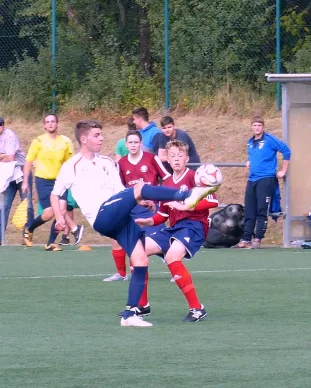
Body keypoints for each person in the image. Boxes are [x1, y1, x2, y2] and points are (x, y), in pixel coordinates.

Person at [50, 120, 216, 327]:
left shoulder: (108, 162)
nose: (101, 138)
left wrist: (140, 200)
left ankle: (131, 314)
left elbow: (121, 191)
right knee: (140, 186)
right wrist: (59, 217)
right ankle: (188, 194)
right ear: (83, 139)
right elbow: (56, 195)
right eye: (96, 135)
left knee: (140, 259)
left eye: (101, 134)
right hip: (102, 216)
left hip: (121, 216)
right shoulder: (71, 166)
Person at [124, 140, 219, 322]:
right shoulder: (166, 183)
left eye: (180, 156)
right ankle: (142, 306)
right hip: (174, 228)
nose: (176, 159)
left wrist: (186, 206)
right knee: (137, 252)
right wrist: (149, 221)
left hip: (194, 226)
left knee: (172, 257)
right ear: (167, 158)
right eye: (173, 156)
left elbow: (213, 201)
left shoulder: (194, 177)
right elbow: (162, 214)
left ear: (187, 158)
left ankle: (197, 308)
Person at [104, 129, 170, 285]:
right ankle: (121, 273)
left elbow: (167, 178)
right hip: (132, 207)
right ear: (126, 145)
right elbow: (119, 187)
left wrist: (166, 198)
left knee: (160, 241)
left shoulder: (152, 158)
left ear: (141, 143)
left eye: (136, 142)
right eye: (130, 142)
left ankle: (174, 267)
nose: (133, 145)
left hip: (151, 208)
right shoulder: (121, 164)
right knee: (117, 237)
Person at [22, 114, 84, 251]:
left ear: (57, 124)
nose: (50, 124)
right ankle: (29, 229)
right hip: (43, 180)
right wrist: (25, 181)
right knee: (49, 213)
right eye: (48, 122)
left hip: (60, 181)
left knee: (61, 210)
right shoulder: (38, 141)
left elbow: (70, 163)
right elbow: (28, 161)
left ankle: (50, 243)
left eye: (53, 121)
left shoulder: (65, 142)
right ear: (44, 125)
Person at [234, 115, 291, 249]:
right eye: (254, 125)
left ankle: (258, 238)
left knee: (261, 210)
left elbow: (286, 151)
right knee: (249, 210)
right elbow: (255, 155)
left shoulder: (270, 140)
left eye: (259, 125)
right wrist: (249, 161)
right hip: (252, 179)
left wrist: (283, 171)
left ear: (263, 127)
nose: (257, 128)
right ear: (251, 127)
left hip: (266, 179)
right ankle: (246, 239)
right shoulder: (250, 142)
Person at [0, 117, 34, 245]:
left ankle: (27, 236)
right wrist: (4, 156)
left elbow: (10, 158)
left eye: (1, 125)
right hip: (8, 175)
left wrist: (3, 156)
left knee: (27, 204)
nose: (0, 127)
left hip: (21, 172)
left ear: (3, 125)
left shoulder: (9, 136)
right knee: (4, 205)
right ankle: (0, 237)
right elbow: (6, 157)